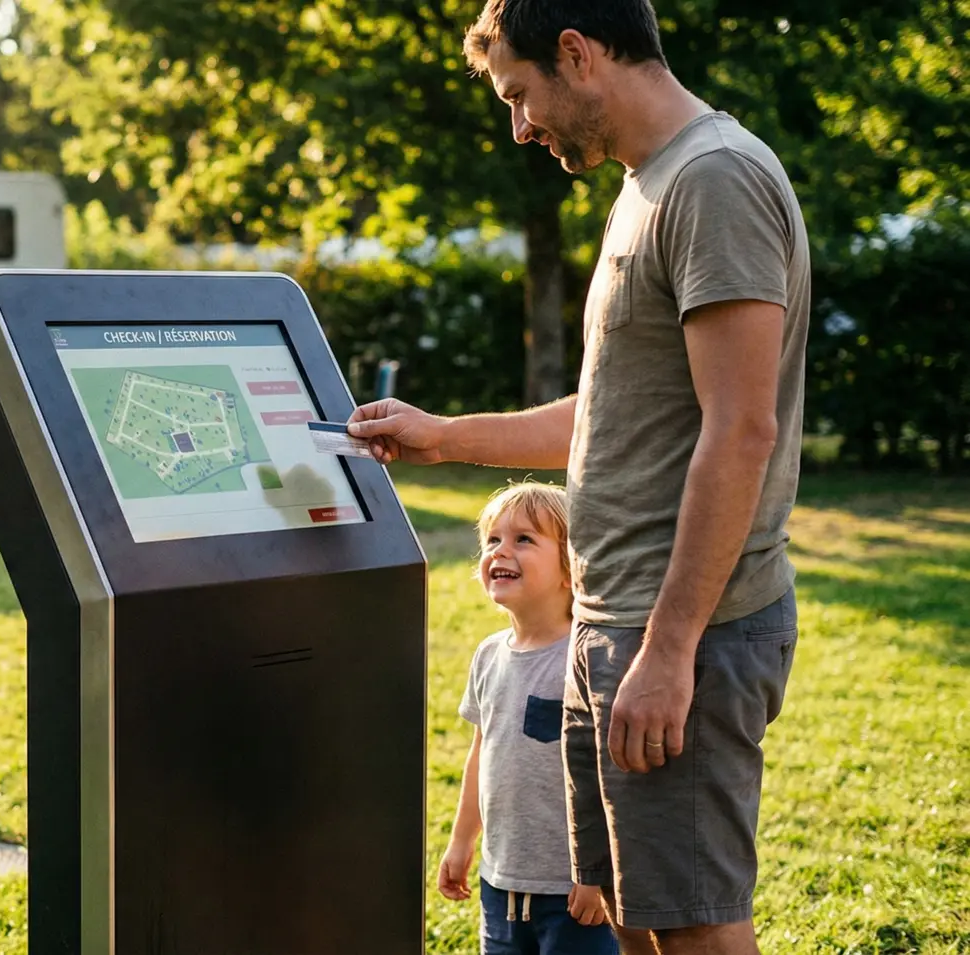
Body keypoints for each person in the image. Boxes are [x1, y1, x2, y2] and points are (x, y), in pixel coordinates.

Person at [347, 1, 809, 952]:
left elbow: (741, 429)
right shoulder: (645, 187)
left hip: (682, 631)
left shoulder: (713, 182)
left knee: (695, 930)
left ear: (577, 53)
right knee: (636, 921)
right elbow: (607, 416)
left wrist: (671, 650)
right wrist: (442, 438)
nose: (521, 126)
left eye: (521, 96)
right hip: (613, 624)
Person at [441, 482, 616, 954]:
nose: (501, 550)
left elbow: (610, 772)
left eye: (524, 539)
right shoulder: (488, 655)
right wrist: (461, 842)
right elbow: (483, 753)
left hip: (574, 891)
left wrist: (597, 871)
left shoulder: (589, 659)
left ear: (571, 568)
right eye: (492, 539)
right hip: (500, 883)